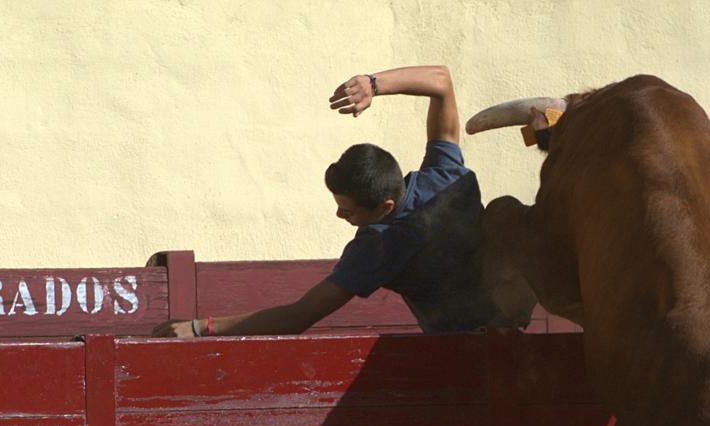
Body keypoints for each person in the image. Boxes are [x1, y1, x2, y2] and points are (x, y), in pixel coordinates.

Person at [152, 64, 535, 338]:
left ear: (385, 207)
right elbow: (441, 80)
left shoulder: (379, 244)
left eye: (349, 210)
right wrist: (374, 84)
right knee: (506, 210)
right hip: (512, 313)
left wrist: (202, 327)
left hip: (464, 350)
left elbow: (297, 317)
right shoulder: (445, 176)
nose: (339, 215)